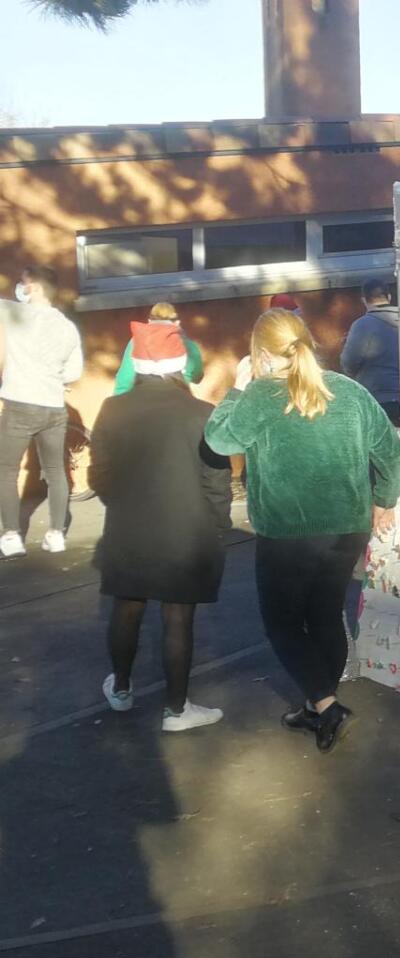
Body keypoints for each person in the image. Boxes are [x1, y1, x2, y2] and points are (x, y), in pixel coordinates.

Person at [206, 310, 400, 752]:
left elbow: (219, 441)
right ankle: (317, 708)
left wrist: (236, 389)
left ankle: (327, 705)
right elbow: (391, 452)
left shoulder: (259, 395)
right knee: (325, 614)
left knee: (283, 624)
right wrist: (384, 501)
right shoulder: (349, 391)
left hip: (288, 533)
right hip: (348, 528)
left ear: (261, 353)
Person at [90, 320, 233, 731]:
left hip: (128, 528)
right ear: (179, 365)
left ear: (137, 365)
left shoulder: (112, 409)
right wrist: (218, 525)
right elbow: (216, 480)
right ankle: (177, 710)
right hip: (187, 532)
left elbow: (99, 476)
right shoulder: (202, 414)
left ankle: (120, 689)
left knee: (126, 608)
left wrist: (122, 505)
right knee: (178, 618)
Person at [0, 266, 85, 557]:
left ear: (34, 287)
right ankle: (56, 535)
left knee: (6, 470)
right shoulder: (67, 327)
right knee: (56, 471)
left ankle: (12, 536)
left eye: (23, 283)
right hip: (53, 406)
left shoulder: (15, 313)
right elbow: (74, 371)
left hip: (20, 404)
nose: (19, 287)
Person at [341, 278, 400, 426]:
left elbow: (349, 362)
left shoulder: (362, 325)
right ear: (389, 297)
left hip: (376, 396)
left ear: (364, 300)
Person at [112, 303, 204, 396]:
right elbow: (197, 377)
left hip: (143, 399)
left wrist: (118, 401)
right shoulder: (189, 345)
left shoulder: (136, 342)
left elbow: (124, 381)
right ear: (177, 323)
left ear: (149, 321)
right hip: (178, 399)